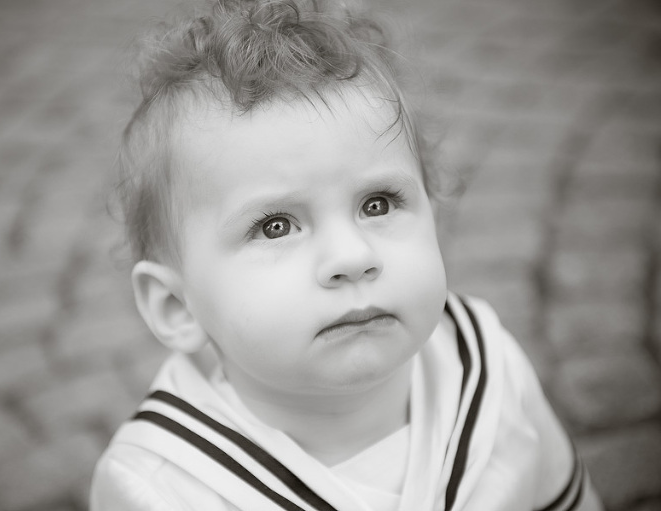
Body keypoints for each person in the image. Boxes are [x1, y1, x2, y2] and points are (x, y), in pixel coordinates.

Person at [90, 1, 603, 509]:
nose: (353, 256)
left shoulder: (489, 365)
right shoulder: (160, 488)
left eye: (377, 204)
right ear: (177, 306)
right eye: (275, 226)